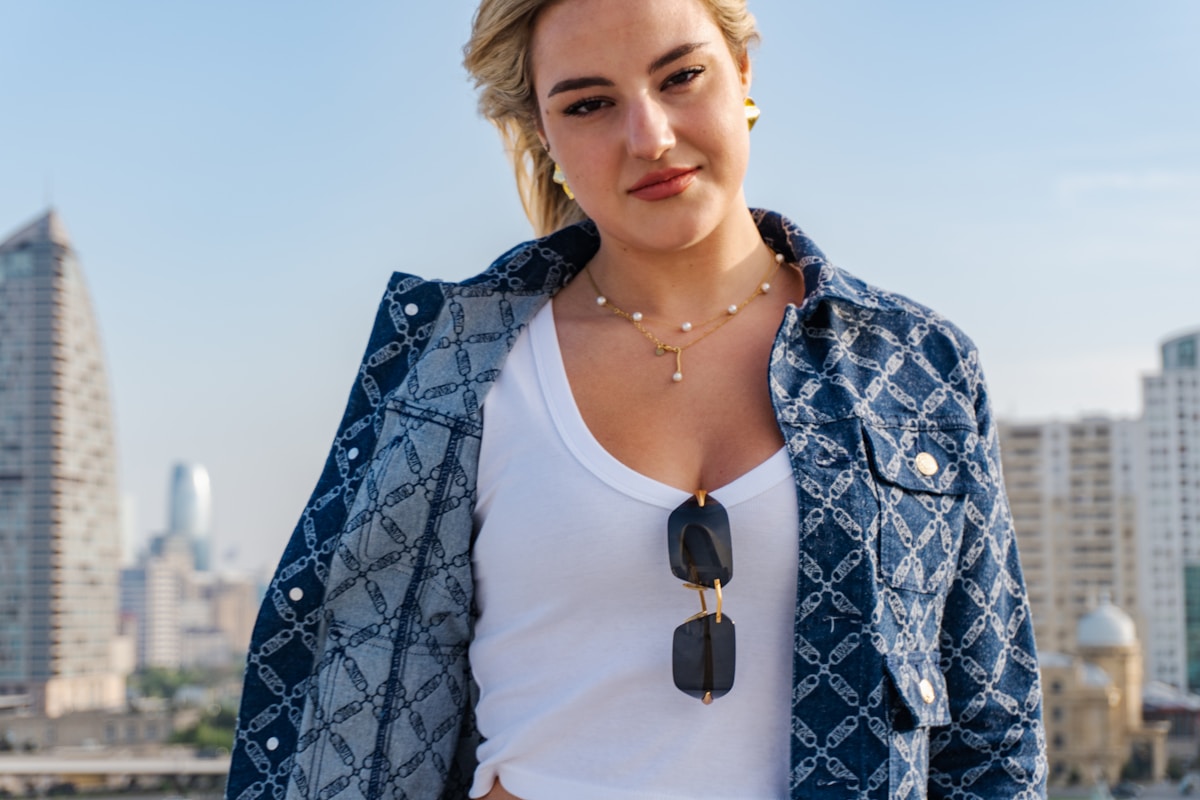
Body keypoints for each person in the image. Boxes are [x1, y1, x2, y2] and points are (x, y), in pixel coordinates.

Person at [226, 0, 1047, 798]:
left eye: (681, 76)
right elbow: (350, 698)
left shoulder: (915, 367)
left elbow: (994, 737)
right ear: (541, 132)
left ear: (742, 72)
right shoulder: (449, 369)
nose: (649, 137)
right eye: (589, 104)